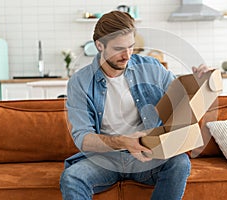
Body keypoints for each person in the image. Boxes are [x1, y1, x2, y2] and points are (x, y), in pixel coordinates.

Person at [60, 10, 211, 200]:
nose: (127, 55)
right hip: (105, 158)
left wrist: (196, 85)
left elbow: (178, 104)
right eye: (119, 49)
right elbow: (83, 138)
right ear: (99, 45)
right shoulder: (80, 82)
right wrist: (123, 141)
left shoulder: (152, 68)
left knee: (179, 162)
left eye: (131, 47)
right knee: (72, 177)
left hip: (148, 154)